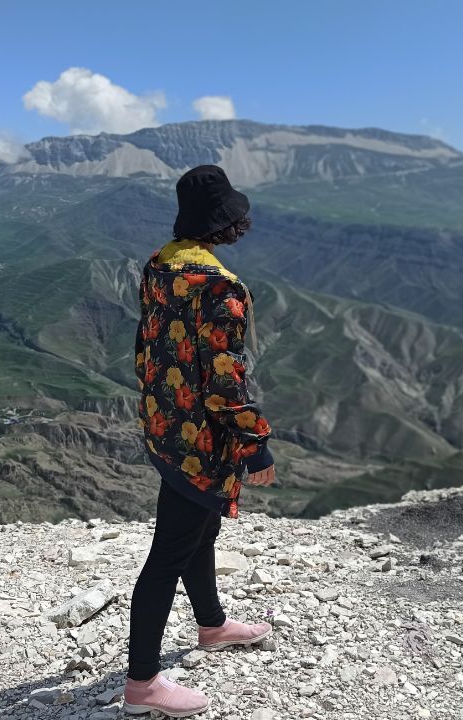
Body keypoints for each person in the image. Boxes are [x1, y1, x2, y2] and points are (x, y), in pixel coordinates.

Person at [123, 165, 277, 717]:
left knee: (200, 526)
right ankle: (142, 683)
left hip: (164, 422)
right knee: (169, 552)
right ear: (225, 224)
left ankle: (211, 625)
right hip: (203, 440)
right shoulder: (219, 288)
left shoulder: (159, 265)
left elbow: (147, 346)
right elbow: (225, 378)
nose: (242, 224)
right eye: (236, 217)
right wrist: (255, 442)